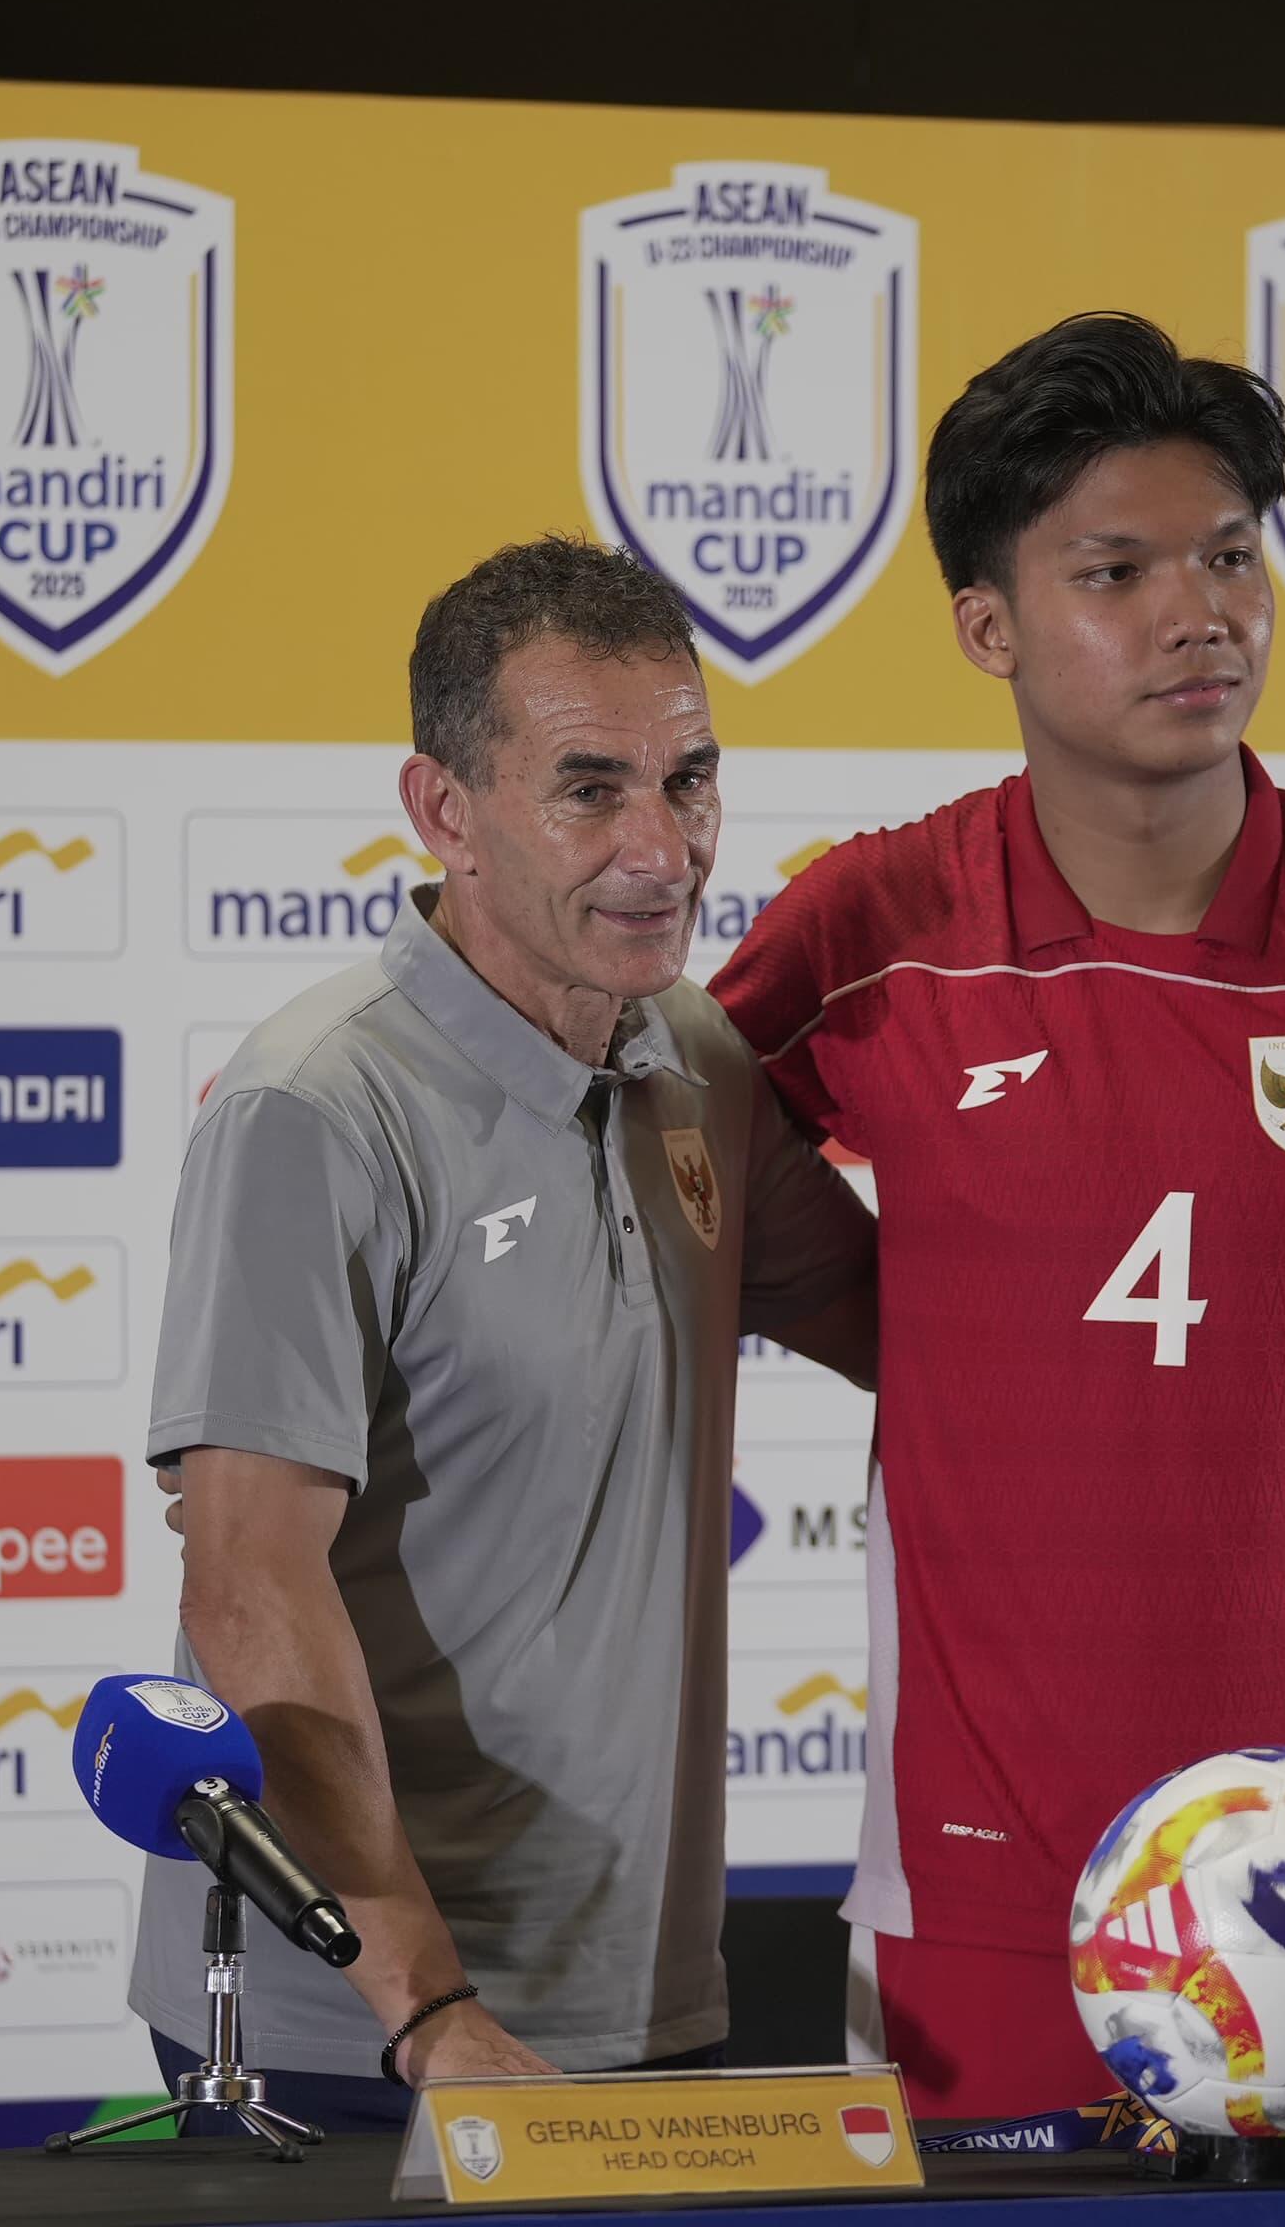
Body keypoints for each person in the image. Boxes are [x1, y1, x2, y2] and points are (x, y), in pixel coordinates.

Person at [710, 314, 1285, 2116]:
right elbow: (662, 1171)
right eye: (1118, 570)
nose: (1197, 611)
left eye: (1231, 556)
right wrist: (910, 1334)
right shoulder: (866, 930)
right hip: (986, 1898)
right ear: (989, 626)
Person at [130, 536, 878, 2130]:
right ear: (443, 810)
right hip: (364, 2037)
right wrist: (424, 2004)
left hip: (652, 2007)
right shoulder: (316, 1108)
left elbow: (917, 1330)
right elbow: (247, 1584)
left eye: (690, 782)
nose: (662, 848)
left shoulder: (693, 1059)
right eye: (590, 789)